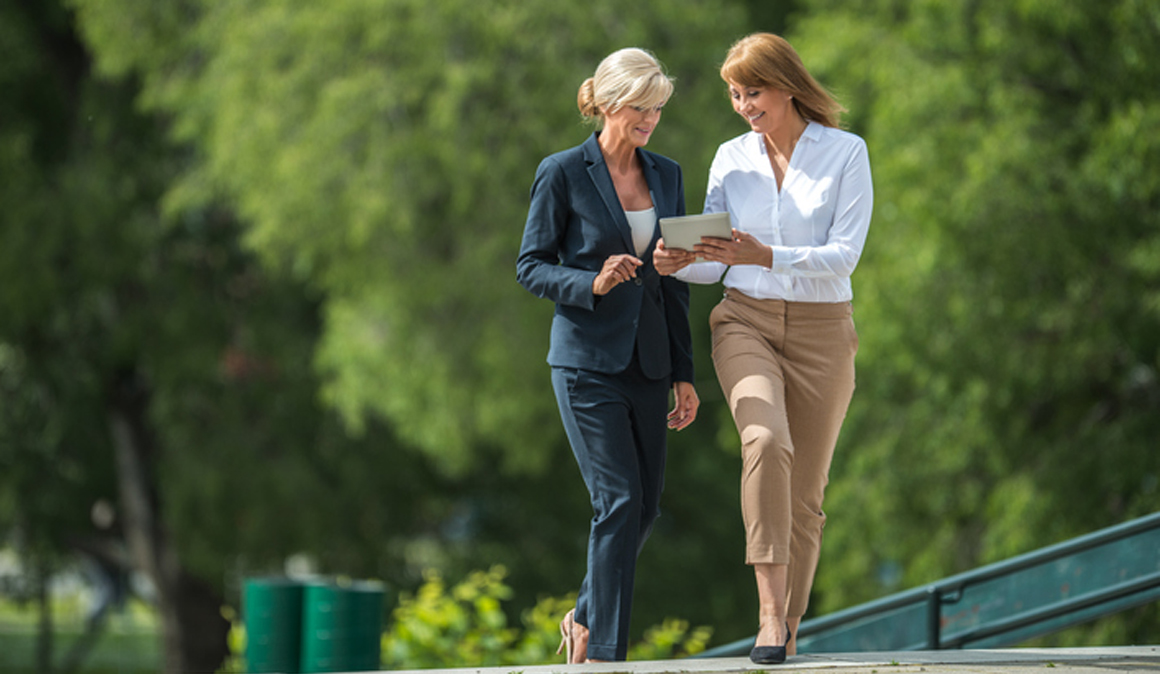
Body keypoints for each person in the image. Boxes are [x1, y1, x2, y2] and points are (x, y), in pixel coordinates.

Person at [654, 33, 873, 665]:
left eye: (753, 92)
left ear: (787, 86)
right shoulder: (731, 157)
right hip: (744, 320)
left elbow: (844, 257)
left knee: (805, 497)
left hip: (823, 329)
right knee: (764, 440)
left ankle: (790, 629)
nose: (744, 105)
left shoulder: (845, 153)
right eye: (734, 94)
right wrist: (676, 261)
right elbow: (716, 260)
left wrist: (767, 253)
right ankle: (769, 616)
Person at [516, 47, 700, 663]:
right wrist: (590, 283)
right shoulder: (563, 171)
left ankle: (584, 618)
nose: (650, 120)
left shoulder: (667, 174)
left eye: (658, 109)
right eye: (642, 108)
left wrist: (684, 373)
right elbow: (530, 266)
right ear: (610, 103)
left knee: (645, 505)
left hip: (649, 363)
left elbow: (671, 282)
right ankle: (603, 654)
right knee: (617, 500)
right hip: (585, 363)